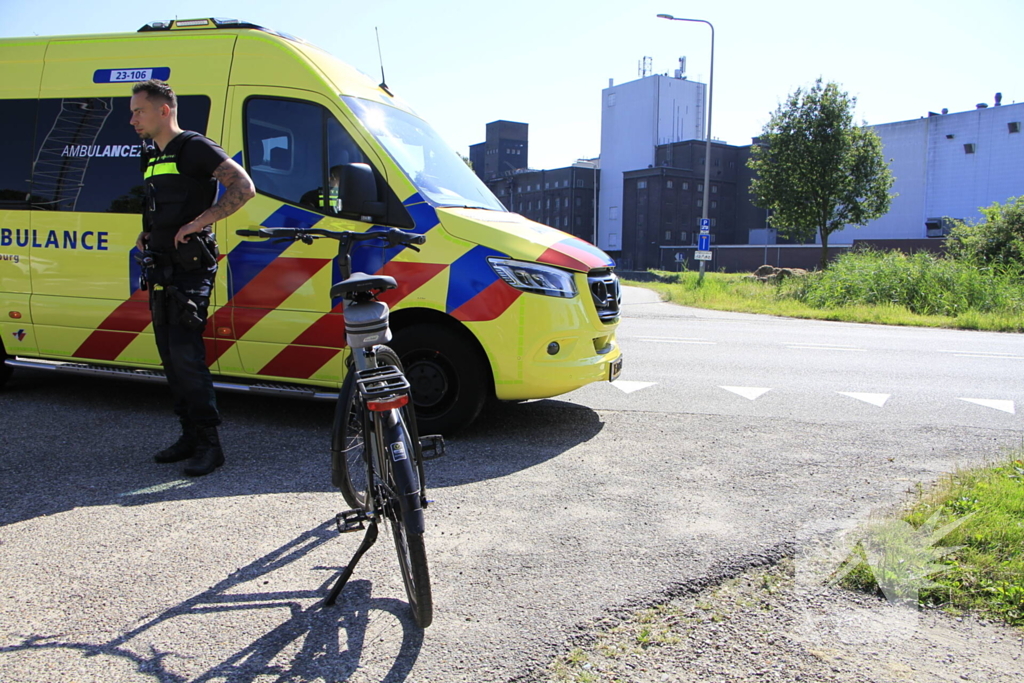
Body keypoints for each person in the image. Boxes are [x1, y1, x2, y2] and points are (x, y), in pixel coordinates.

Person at [129, 79, 255, 476]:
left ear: (164, 110)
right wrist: (149, 231)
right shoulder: (153, 154)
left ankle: (209, 445)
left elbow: (244, 186)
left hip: (190, 268)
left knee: (186, 357)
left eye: (139, 111)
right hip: (161, 265)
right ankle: (188, 435)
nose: (132, 119)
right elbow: (162, 205)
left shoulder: (194, 146)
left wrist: (202, 221)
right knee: (169, 355)